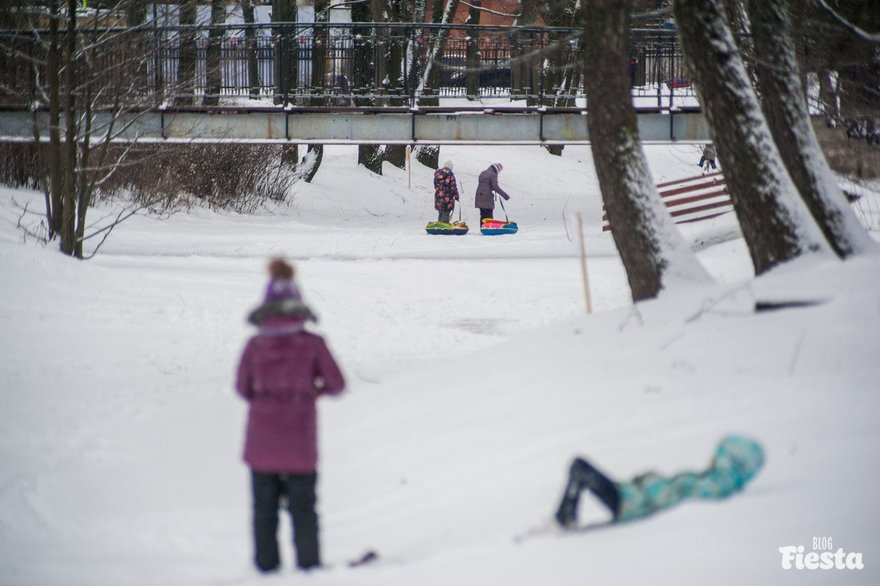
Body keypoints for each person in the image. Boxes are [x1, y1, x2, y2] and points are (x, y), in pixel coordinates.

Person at [236, 258, 345, 573]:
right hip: (300, 441)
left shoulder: (255, 345)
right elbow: (337, 384)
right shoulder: (312, 344)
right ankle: (309, 567)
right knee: (304, 509)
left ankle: (266, 569)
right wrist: (312, 392)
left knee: (264, 510)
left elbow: (242, 388)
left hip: (262, 442)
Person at [554, 435, 764, 528]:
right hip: (630, 495)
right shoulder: (709, 481)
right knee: (579, 468)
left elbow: (673, 497)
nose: (712, 458)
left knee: (579, 467)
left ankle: (563, 521)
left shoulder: (712, 486)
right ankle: (564, 519)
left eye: (719, 455)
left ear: (729, 460)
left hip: (631, 503)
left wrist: (650, 486)